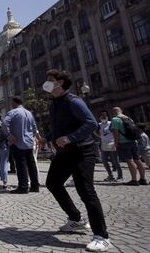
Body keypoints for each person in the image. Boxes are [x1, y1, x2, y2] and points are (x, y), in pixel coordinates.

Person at [43, 69, 111, 252]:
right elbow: (59, 125)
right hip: (64, 153)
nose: (47, 83)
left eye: (50, 80)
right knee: (53, 183)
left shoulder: (74, 101)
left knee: (86, 190)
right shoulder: (54, 103)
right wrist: (48, 136)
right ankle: (75, 219)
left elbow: (91, 123)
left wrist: (70, 138)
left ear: (60, 83)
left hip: (82, 151)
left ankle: (102, 236)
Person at [4, 96, 41, 194]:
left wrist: (10, 135)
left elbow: (4, 123)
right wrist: (31, 136)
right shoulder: (29, 113)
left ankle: (23, 187)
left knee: (21, 165)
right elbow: (34, 127)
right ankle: (35, 186)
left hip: (18, 142)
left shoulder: (12, 112)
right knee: (31, 164)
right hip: (29, 142)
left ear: (14, 102)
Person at [111, 107, 146, 186]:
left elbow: (115, 133)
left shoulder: (115, 119)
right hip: (133, 141)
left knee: (130, 161)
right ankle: (143, 179)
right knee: (138, 160)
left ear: (113, 112)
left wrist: (116, 144)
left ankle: (134, 180)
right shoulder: (128, 118)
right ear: (121, 111)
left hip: (124, 143)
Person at [96, 111, 122, 181]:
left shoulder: (111, 123)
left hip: (112, 143)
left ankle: (120, 176)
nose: (104, 117)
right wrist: (100, 136)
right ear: (99, 117)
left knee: (115, 161)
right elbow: (97, 133)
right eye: (102, 116)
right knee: (104, 161)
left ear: (107, 117)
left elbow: (116, 133)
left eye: (105, 116)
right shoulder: (99, 125)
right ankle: (111, 176)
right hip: (104, 144)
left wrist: (116, 142)